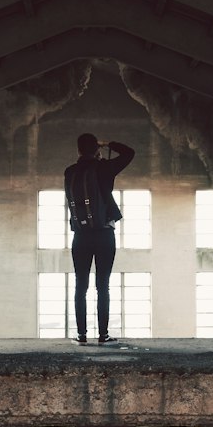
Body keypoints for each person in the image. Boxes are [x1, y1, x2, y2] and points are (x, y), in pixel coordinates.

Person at [64, 133, 135, 344]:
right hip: (104, 234)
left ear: (78, 150)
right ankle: (103, 335)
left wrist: (93, 151)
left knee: (80, 286)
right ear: (96, 149)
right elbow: (129, 153)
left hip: (81, 236)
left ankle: (81, 335)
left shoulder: (69, 172)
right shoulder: (104, 168)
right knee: (103, 285)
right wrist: (107, 144)